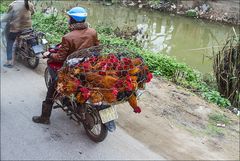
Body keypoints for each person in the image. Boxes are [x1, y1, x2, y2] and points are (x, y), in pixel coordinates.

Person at [32, 7, 100, 124]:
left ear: (72, 20)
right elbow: (97, 47)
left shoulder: (68, 37)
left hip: (71, 70)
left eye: (69, 18)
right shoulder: (92, 32)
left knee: (52, 90)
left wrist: (49, 55)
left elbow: (60, 57)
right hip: (88, 66)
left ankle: (44, 118)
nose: (68, 20)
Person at [2, 0, 35, 68]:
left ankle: (9, 62)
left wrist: (2, 20)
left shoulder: (13, 4)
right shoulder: (29, 4)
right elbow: (33, 12)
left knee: (10, 41)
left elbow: (8, 16)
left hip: (16, 28)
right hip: (28, 27)